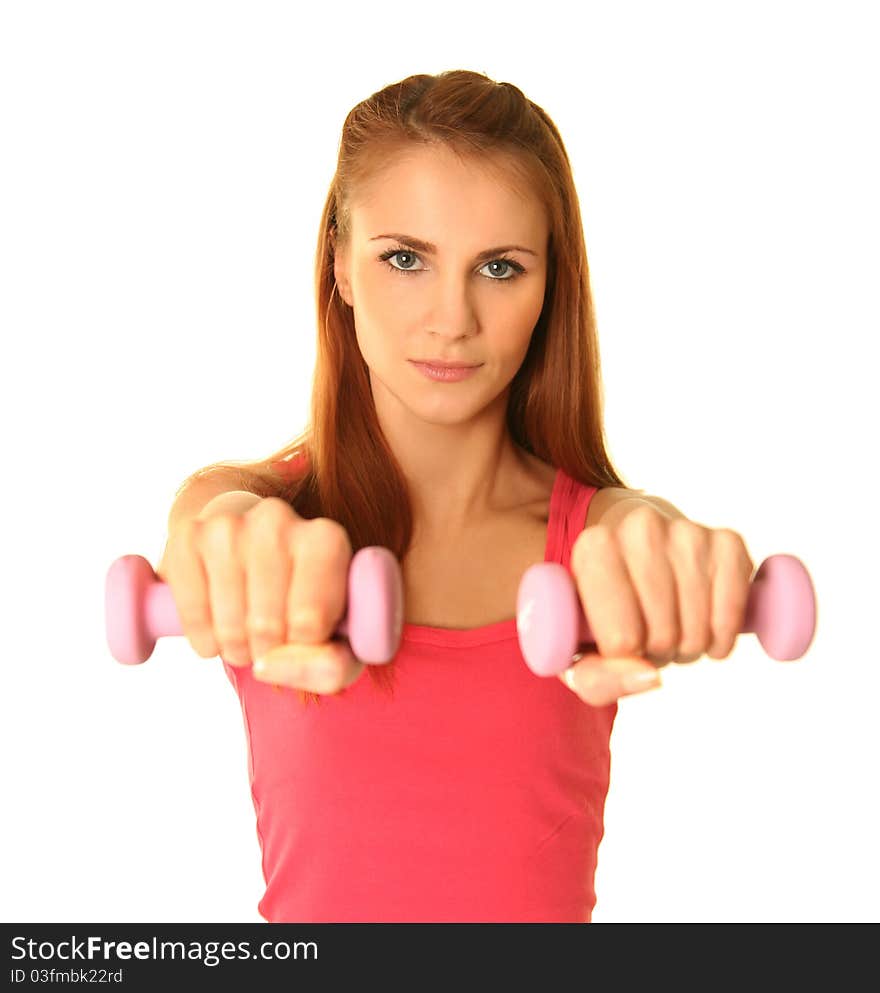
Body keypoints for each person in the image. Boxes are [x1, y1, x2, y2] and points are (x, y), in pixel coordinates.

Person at [156, 69, 755, 923]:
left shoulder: (593, 539)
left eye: (500, 268)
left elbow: (634, 527)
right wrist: (214, 528)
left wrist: (665, 548)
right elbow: (214, 519)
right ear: (341, 267)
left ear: (551, 288)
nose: (451, 319)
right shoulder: (269, 521)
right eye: (405, 258)